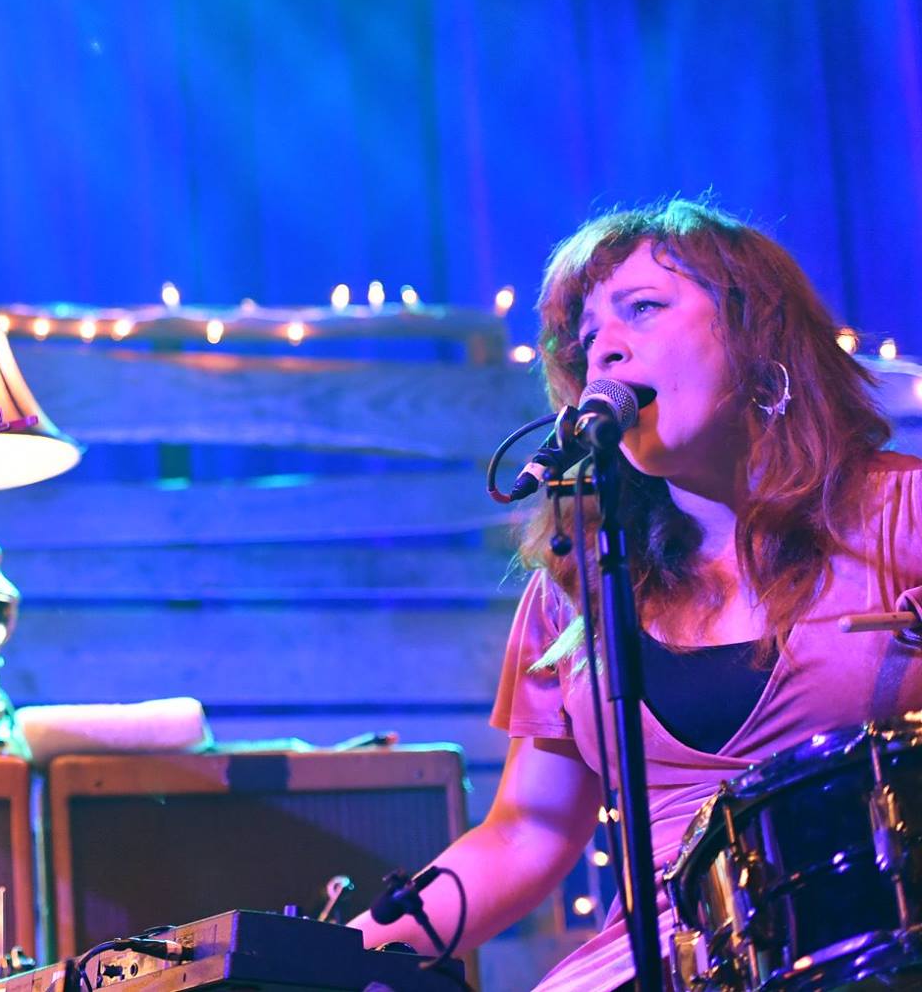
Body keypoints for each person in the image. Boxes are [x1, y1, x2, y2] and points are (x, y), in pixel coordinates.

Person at [350, 198, 922, 991]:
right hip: (655, 966)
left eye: (643, 309)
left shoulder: (902, 514)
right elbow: (529, 829)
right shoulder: (578, 581)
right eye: (586, 341)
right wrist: (337, 951)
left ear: (758, 332)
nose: (604, 352)